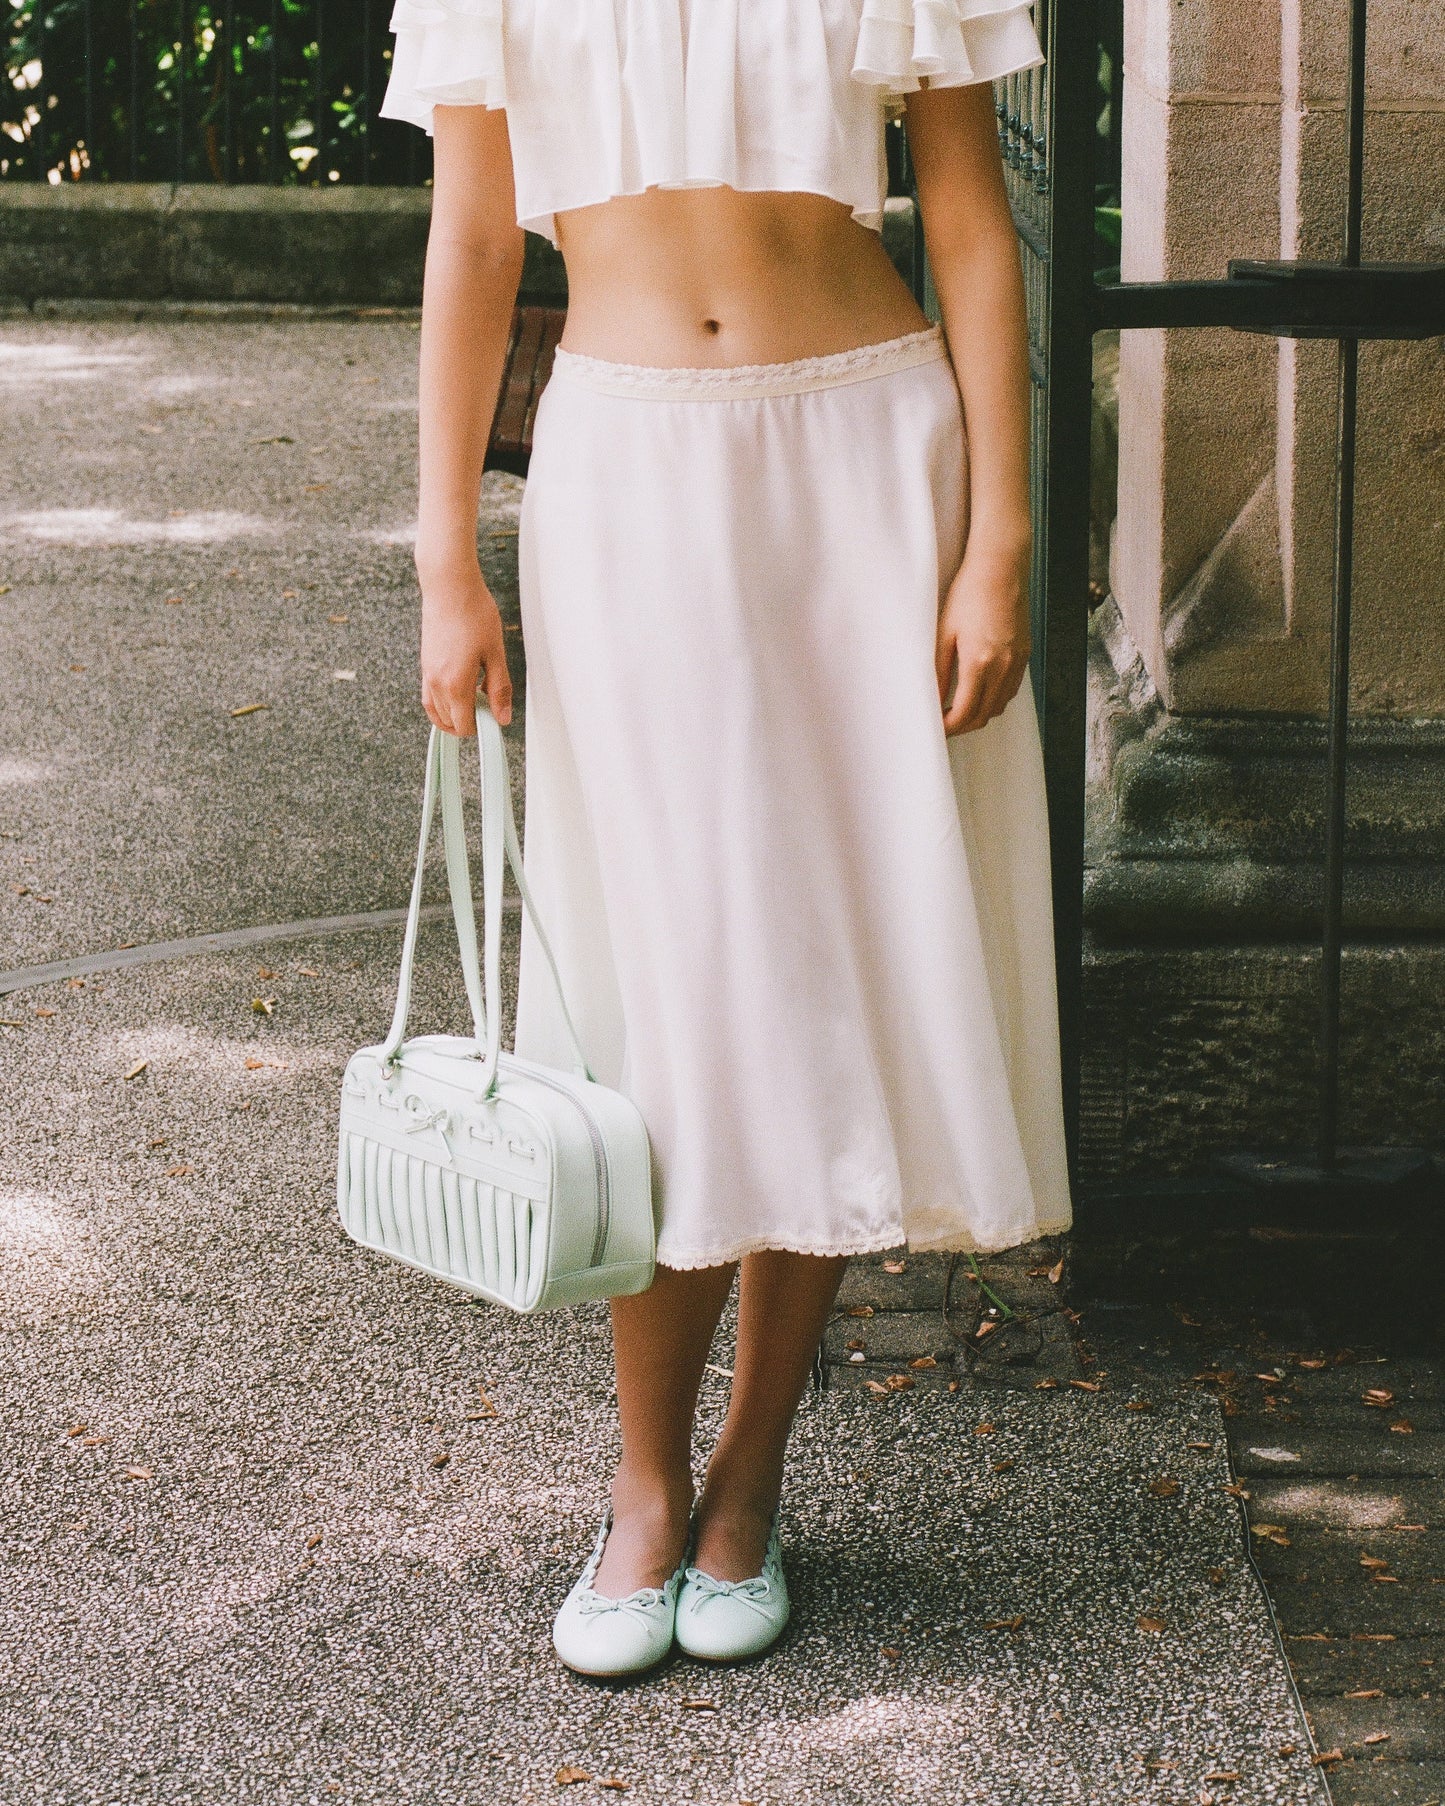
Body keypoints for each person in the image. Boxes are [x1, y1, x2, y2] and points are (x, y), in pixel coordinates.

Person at [379, 0, 1072, 1678]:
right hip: (625, 476)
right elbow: (474, 239)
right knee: (661, 996)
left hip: (861, 464)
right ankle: (637, 1485)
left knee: (814, 970)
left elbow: (970, 222)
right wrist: (441, 554)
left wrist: (999, 538)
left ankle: (747, 1473)